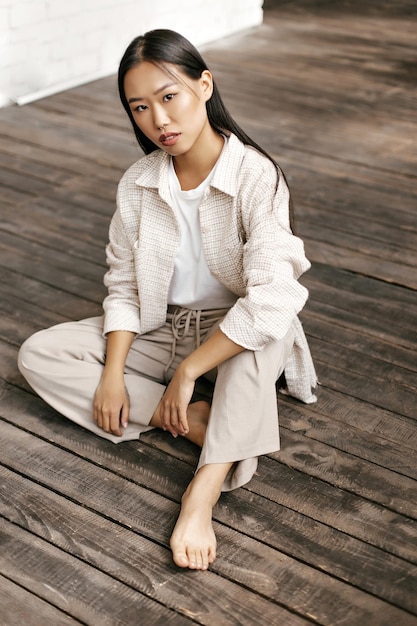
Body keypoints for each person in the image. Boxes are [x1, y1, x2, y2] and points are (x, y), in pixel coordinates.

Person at [18, 29, 318, 572]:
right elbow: (125, 286)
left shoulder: (256, 175)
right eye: (140, 107)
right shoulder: (138, 184)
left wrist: (189, 372)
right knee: (40, 353)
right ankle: (201, 422)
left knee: (266, 331)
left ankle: (200, 495)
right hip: (164, 327)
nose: (158, 119)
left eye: (168, 96)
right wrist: (112, 372)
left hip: (233, 331)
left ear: (204, 85)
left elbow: (273, 297)